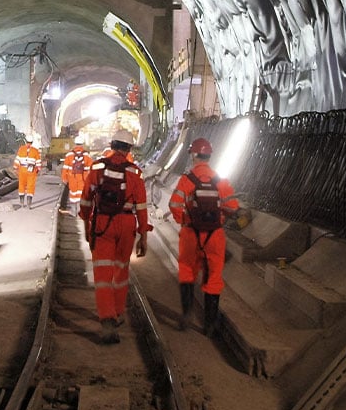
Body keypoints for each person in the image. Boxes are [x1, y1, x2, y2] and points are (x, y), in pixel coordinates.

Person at [80, 129, 151, 344]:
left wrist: (86, 223)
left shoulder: (97, 167)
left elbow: (85, 200)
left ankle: (107, 319)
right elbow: (141, 206)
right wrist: (143, 235)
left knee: (102, 273)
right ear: (129, 148)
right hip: (127, 223)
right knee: (121, 269)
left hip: (102, 223)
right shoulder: (135, 173)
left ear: (112, 145)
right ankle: (118, 312)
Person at [168, 137, 239, 334]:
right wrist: (219, 219)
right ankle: (209, 324)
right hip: (214, 236)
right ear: (209, 156)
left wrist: (184, 221)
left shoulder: (187, 179)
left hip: (191, 234)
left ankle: (187, 315)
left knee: (187, 272)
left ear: (193, 155)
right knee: (214, 277)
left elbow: (174, 205)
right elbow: (233, 207)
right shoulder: (220, 180)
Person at [61, 135, 90, 213]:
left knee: (73, 193)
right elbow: (89, 168)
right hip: (82, 178)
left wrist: (64, 178)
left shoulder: (69, 155)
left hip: (72, 177)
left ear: (75, 143)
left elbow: (65, 168)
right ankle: (80, 211)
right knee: (81, 193)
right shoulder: (86, 155)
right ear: (82, 144)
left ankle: (73, 211)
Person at [13, 134, 42, 209]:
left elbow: (17, 159)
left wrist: (15, 167)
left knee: (21, 185)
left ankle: (22, 203)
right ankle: (29, 204)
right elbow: (38, 161)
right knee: (30, 186)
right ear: (32, 142)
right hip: (31, 170)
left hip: (22, 169)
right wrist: (38, 169)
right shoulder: (35, 151)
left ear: (25, 141)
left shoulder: (21, 149)